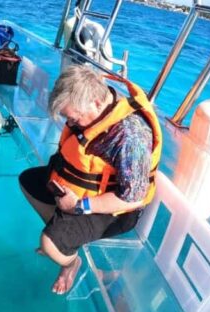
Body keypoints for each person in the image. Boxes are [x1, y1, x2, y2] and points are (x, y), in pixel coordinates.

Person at [19, 65, 162, 294]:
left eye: (74, 119)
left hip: (117, 212)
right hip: (83, 189)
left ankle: (70, 263)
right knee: (29, 182)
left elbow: (133, 198)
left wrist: (78, 205)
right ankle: (65, 240)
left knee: (49, 244)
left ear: (95, 103)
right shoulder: (94, 109)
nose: (71, 125)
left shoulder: (130, 137)